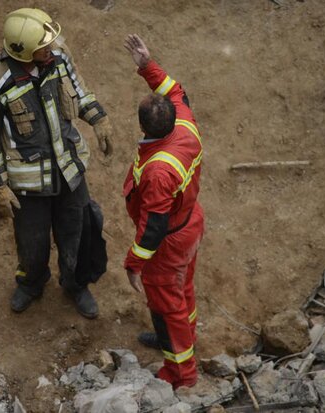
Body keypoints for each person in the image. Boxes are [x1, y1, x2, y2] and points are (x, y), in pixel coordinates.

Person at [0, 8, 114, 319]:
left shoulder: (59, 56)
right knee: (32, 241)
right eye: (43, 46)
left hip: (69, 170)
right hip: (28, 183)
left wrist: (99, 119)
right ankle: (31, 284)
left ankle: (76, 284)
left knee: (76, 230)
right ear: (23, 51)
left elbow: (79, 91)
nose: (50, 48)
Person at [122, 34, 204, 388]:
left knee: (168, 303)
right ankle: (186, 335)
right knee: (182, 289)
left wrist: (134, 263)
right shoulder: (184, 124)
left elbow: (152, 226)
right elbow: (177, 91)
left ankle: (181, 373)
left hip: (167, 242)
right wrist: (147, 66)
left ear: (144, 128)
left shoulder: (158, 171)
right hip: (189, 225)